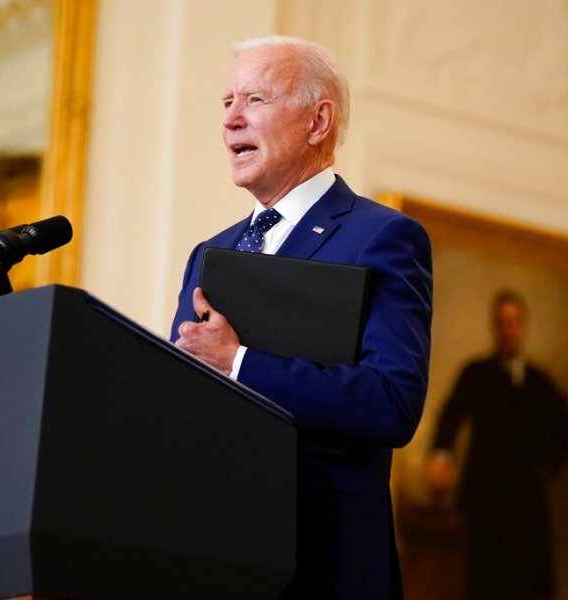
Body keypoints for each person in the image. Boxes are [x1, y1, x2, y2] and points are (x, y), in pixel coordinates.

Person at [170, 36, 433, 599]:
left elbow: (392, 403)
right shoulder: (209, 255)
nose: (231, 119)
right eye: (227, 102)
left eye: (255, 100)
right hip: (214, 554)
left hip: (324, 560)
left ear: (318, 121)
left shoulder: (382, 238)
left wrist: (239, 363)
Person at [423, 290, 568, 600]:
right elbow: (451, 416)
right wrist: (441, 457)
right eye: (502, 322)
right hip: (484, 501)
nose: (508, 329)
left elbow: (567, 424)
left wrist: (548, 467)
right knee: (482, 583)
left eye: (513, 322)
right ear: (495, 327)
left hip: (526, 507)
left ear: (523, 327)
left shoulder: (539, 382)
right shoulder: (475, 373)